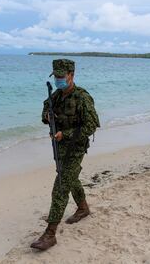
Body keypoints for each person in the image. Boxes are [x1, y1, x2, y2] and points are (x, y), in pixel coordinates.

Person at [30, 59, 100, 251]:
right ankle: (83, 208)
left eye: (62, 76)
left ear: (71, 75)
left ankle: (50, 233)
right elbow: (45, 108)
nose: (59, 79)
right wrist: (47, 116)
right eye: (57, 76)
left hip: (75, 148)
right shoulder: (57, 95)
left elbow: (92, 125)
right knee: (71, 178)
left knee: (61, 186)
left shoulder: (82, 97)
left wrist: (66, 134)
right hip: (60, 147)